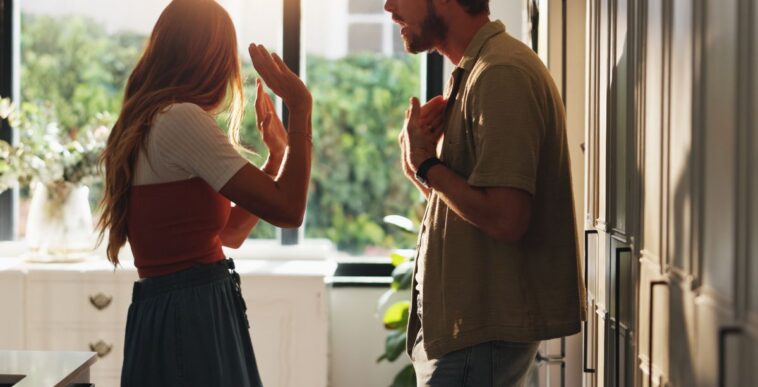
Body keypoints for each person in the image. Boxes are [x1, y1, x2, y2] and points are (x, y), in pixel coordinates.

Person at [96, 0, 312, 385]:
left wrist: (278, 154)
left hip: (180, 310)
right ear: (211, 59)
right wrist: (301, 109)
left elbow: (229, 234)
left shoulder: (154, 119)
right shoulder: (180, 119)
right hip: (191, 314)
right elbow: (290, 211)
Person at [383, 0, 585, 385]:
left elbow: (507, 219)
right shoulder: (477, 69)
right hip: (470, 332)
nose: (389, 7)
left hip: (479, 335)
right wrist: (418, 167)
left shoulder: (500, 73)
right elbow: (474, 215)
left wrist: (429, 165)